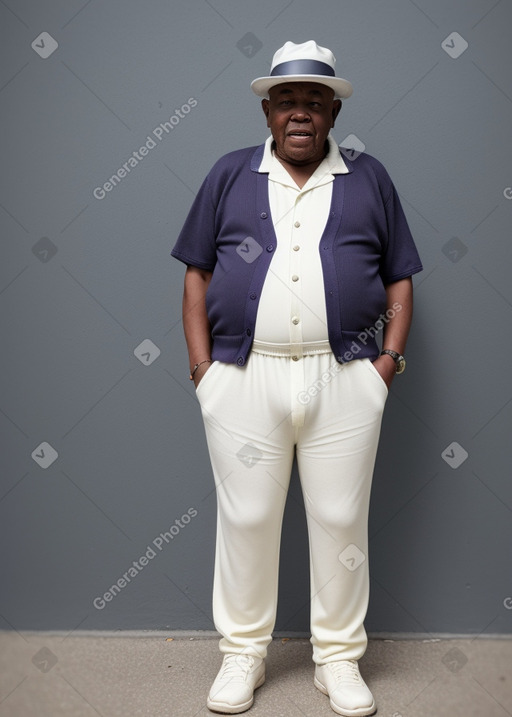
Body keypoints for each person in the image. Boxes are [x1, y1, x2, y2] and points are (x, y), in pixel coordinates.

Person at [171, 40, 422, 716]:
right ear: (268, 109)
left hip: (343, 377)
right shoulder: (230, 174)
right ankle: (243, 654)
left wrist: (387, 364)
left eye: (315, 100)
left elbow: (399, 274)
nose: (301, 112)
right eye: (288, 100)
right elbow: (196, 271)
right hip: (242, 375)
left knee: (342, 518)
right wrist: (202, 370)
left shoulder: (369, 179)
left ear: (333, 112)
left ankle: (337, 659)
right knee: (247, 516)